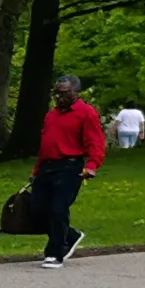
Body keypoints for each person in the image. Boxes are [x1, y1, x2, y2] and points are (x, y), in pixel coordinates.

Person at [23, 73, 106, 267]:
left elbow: (96, 142)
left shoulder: (86, 113)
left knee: (58, 208)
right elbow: (45, 145)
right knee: (36, 208)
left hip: (70, 166)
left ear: (76, 92)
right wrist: (36, 171)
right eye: (56, 94)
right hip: (47, 166)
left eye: (64, 93)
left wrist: (92, 165)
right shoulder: (51, 115)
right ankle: (71, 235)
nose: (59, 97)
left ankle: (55, 252)